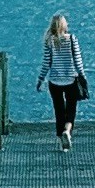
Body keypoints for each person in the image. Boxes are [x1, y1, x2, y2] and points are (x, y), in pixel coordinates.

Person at [38, 14, 89, 145]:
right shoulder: (72, 39)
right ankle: (67, 130)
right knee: (71, 108)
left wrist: (40, 79)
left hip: (54, 81)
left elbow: (46, 63)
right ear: (64, 25)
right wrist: (82, 76)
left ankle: (61, 138)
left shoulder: (50, 41)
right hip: (71, 79)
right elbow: (78, 61)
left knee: (59, 109)